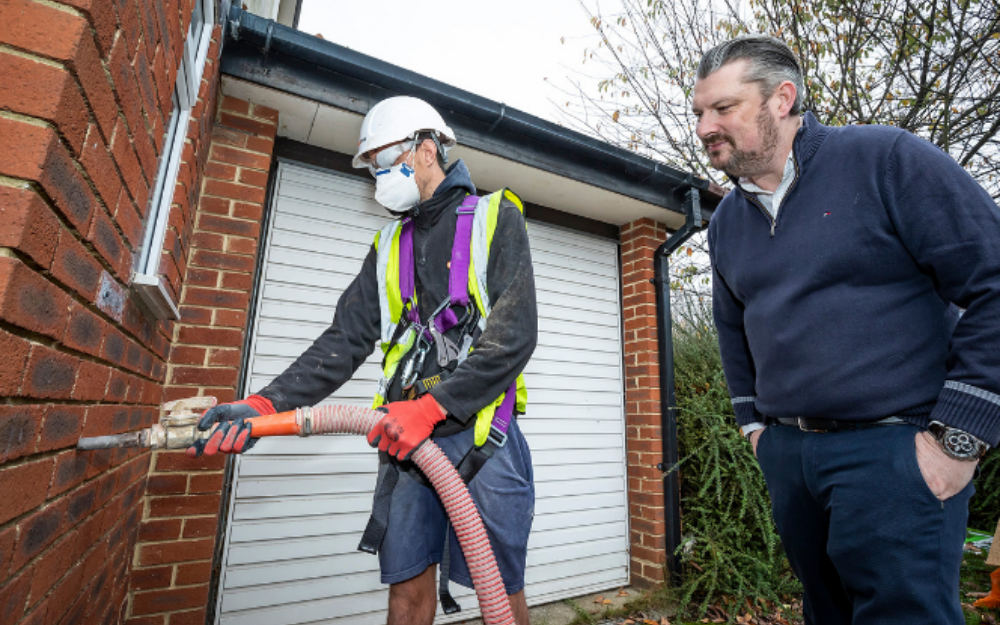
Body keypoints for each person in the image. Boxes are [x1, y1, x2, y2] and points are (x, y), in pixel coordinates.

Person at [188, 96, 537, 625]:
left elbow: (513, 337)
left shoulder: (495, 217)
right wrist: (263, 404)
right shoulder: (389, 245)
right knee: (406, 594)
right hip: (404, 442)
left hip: (483, 435)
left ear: (425, 150)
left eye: (383, 160)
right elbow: (343, 340)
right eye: (371, 166)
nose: (377, 176)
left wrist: (433, 408)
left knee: (500, 595)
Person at [694, 35, 1000, 624]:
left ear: (782, 98)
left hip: (896, 454)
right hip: (792, 459)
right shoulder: (727, 221)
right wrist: (756, 431)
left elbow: (993, 280)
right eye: (700, 112)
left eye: (723, 108)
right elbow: (733, 329)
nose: (706, 127)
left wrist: (958, 440)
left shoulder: (885, 159)